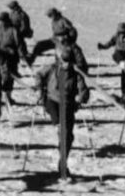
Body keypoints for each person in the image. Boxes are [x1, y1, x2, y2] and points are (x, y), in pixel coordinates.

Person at [36, 42, 89, 177]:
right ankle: (59, 128)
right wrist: (39, 90)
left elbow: (83, 89)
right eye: (64, 61)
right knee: (62, 128)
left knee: (69, 137)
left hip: (68, 104)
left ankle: (62, 162)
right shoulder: (53, 69)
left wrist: (81, 97)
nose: (66, 64)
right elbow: (39, 75)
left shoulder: (76, 74)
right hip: (52, 100)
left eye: (68, 62)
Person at [98, 22, 125, 94]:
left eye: (123, 32)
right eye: (120, 32)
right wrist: (103, 47)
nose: (122, 35)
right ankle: (124, 90)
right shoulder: (116, 36)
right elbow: (110, 43)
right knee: (117, 56)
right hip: (120, 56)